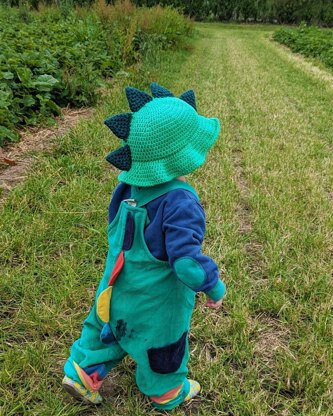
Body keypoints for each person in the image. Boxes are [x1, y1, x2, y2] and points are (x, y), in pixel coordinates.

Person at [62, 82, 226, 410]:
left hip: (116, 283)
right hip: (157, 300)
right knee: (163, 342)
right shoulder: (181, 202)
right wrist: (214, 286)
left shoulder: (128, 185)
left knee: (103, 325)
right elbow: (185, 264)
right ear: (183, 154)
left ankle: (83, 372)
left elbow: (115, 228)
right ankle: (165, 390)